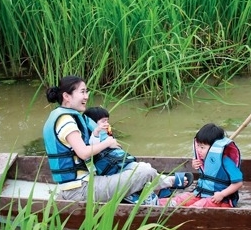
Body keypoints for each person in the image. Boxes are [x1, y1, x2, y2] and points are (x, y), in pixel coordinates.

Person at [43, 76, 192, 204]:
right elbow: (83, 153)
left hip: (84, 183)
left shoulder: (63, 116)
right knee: (144, 171)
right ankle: (166, 183)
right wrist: (107, 142)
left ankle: (160, 184)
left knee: (139, 169)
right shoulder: (66, 120)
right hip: (79, 191)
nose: (86, 96)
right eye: (82, 92)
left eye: (86, 91)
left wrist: (95, 134)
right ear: (66, 96)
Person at [158, 123, 243, 208]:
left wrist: (222, 194)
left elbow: (238, 183)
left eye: (202, 147)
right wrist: (195, 165)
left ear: (214, 147)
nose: (198, 150)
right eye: (198, 146)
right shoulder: (205, 159)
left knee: (197, 207)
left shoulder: (226, 162)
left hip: (218, 199)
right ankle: (156, 203)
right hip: (201, 194)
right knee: (181, 199)